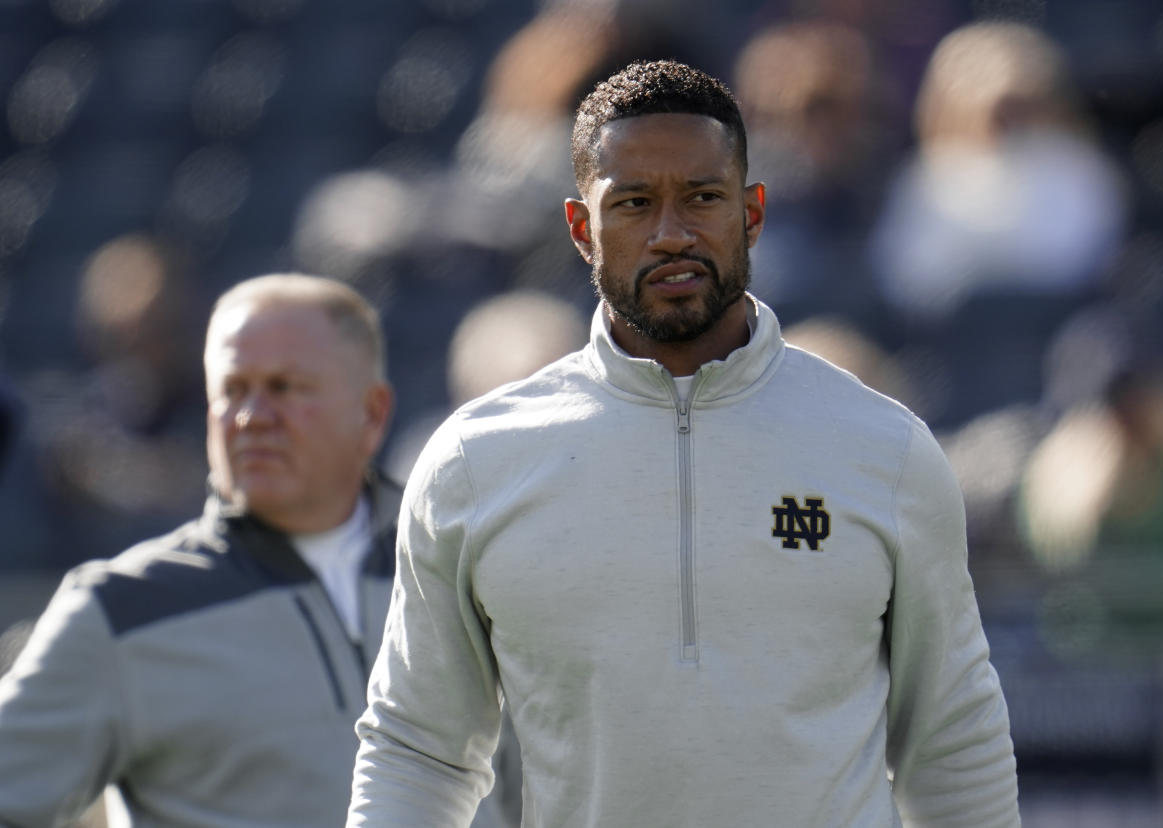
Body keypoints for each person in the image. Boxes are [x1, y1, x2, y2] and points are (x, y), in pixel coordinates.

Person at [350, 60, 1020, 826]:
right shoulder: (474, 462)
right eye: (634, 203)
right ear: (580, 230)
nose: (672, 233)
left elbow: (953, 741)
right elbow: (419, 747)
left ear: (752, 214)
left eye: (703, 198)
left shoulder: (885, 450)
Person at [0, 274, 398, 827]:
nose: (253, 415)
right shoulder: (119, 610)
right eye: (232, 389)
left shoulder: (458, 577)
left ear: (371, 413)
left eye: (287, 387)